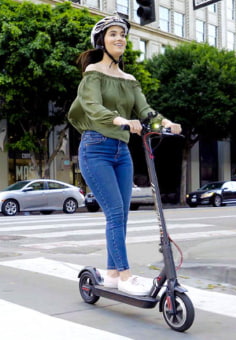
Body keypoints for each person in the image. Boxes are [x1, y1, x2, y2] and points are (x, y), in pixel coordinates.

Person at [67, 16, 181, 296]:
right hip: (95, 148)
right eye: (113, 34)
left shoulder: (129, 80)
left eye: (123, 35)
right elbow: (91, 106)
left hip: (122, 151)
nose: (120, 39)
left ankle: (113, 274)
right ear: (101, 41)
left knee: (121, 218)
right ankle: (127, 276)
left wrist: (165, 122)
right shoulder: (92, 72)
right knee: (115, 214)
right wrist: (120, 120)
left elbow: (145, 110)